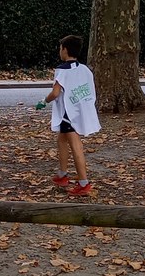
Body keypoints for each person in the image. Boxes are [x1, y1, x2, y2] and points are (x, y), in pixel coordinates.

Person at [35, 34, 100, 196]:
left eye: (60, 48)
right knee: (61, 140)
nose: (59, 51)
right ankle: (62, 174)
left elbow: (55, 93)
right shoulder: (85, 69)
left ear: (65, 50)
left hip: (68, 114)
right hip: (79, 111)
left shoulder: (62, 70)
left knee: (76, 146)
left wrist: (44, 101)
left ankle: (84, 183)